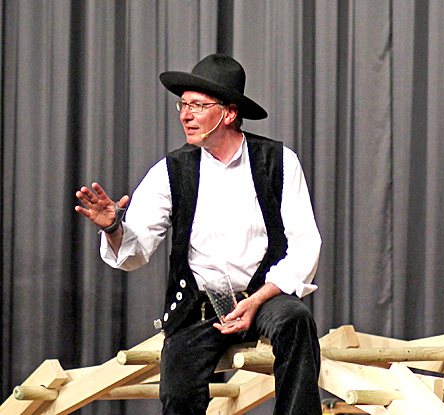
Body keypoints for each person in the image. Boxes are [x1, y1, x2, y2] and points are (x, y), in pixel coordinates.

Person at [75, 53, 323, 415]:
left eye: (197, 106)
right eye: (183, 105)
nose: (185, 115)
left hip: (264, 297)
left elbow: (304, 246)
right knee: (178, 394)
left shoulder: (280, 162)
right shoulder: (171, 171)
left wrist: (257, 300)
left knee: (296, 323)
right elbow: (135, 250)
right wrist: (113, 227)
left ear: (229, 113)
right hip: (200, 307)